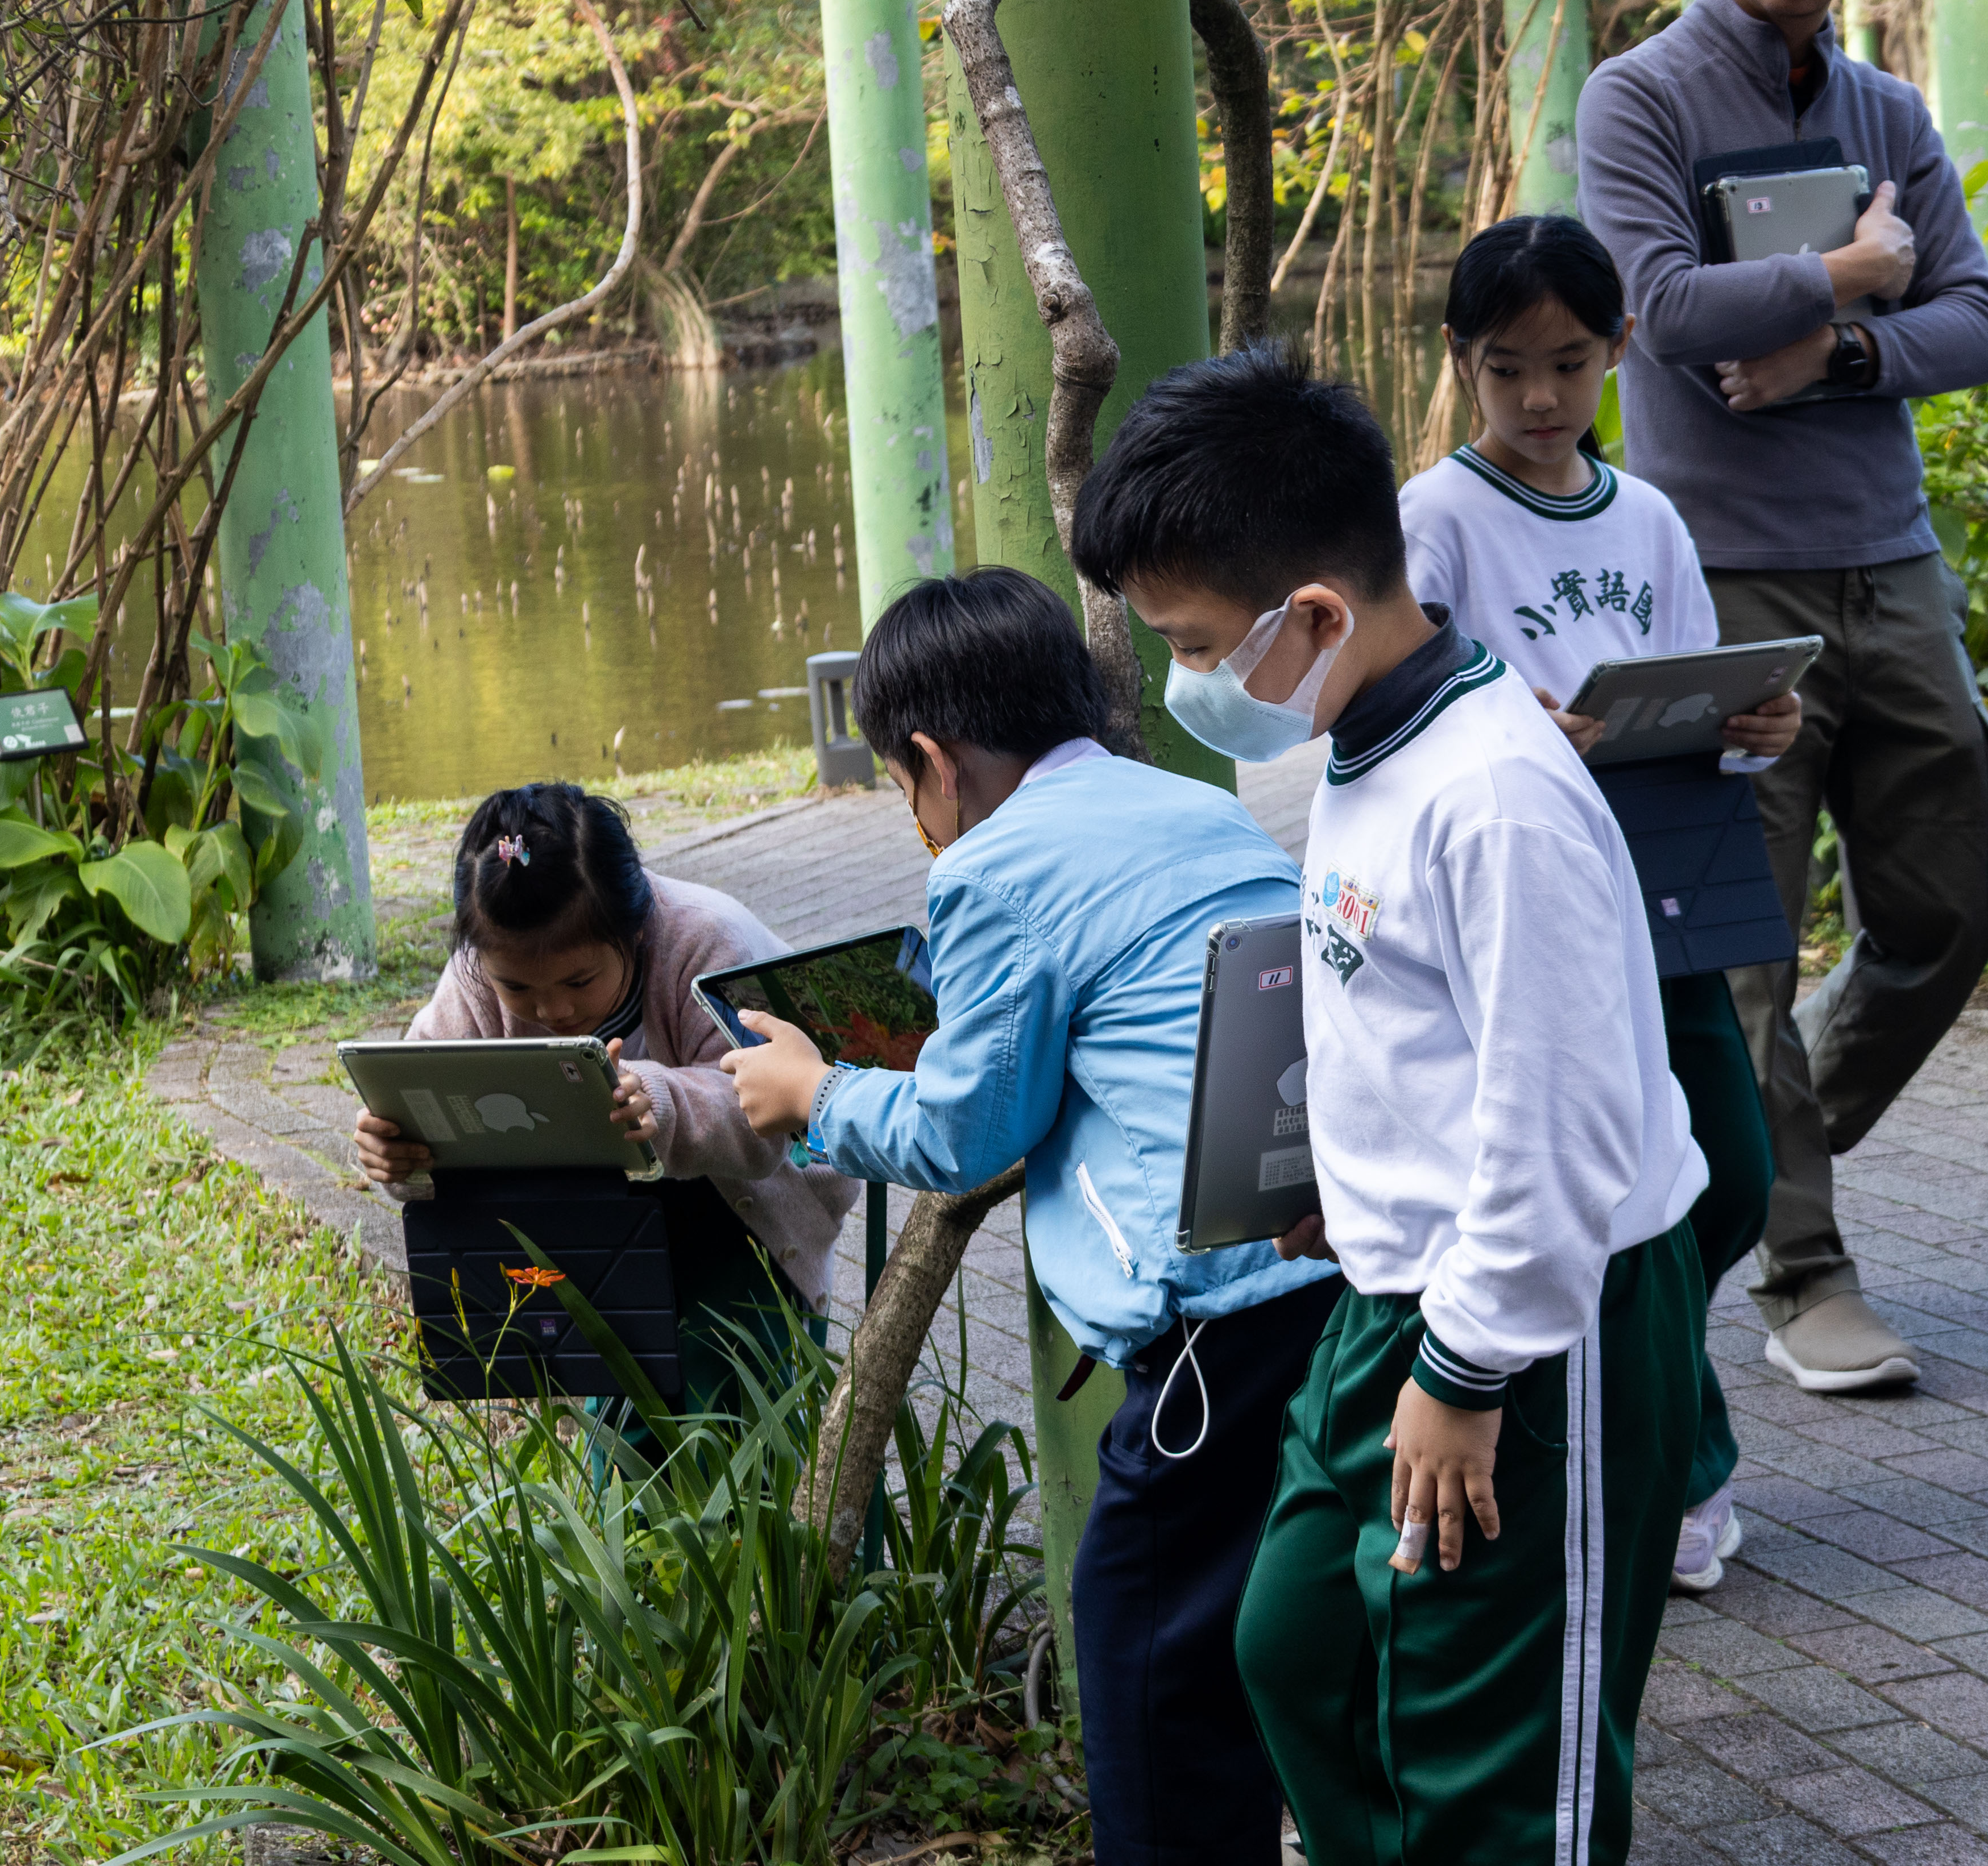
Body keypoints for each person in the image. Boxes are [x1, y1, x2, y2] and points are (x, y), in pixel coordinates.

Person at [1072, 344, 1709, 1866]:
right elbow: (1416, 1040)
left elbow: (1562, 1125)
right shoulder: (1368, 739)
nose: (1186, 680)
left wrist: (1471, 1371)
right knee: (1301, 1639)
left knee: (1486, 1743)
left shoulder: (1493, 795)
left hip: (1535, 1321)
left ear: (1312, 615)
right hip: (1385, 1279)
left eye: (1193, 642)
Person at [716, 567, 1341, 1866]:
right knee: (1255, 1638)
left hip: (1207, 1331)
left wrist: (811, 1090)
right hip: (1326, 1273)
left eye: (901, 787)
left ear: (933, 761)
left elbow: (964, 1129)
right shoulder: (1189, 806)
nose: (917, 818)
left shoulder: (992, 867)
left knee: (1142, 1672)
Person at [1579, 0, 1988, 1398]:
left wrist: (1831, 345)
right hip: (1718, 572)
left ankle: (1757, 1157)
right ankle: (1801, 1270)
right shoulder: (1637, 95)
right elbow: (1654, 305)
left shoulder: (1882, 107)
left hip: (1886, 560)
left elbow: (1979, 324)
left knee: (1967, 892)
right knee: (1750, 948)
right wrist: (1847, 271)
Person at [1399, 212, 1792, 1594]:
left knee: (1725, 1171)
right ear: (1461, 365)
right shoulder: (1431, 519)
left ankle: (1651, 1416)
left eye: (1569, 363)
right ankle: (1676, 1466)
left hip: (1666, 867)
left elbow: (1693, 682)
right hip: (1530, 886)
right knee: (1611, 1179)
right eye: (1507, 369)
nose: (1541, 399)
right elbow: (1400, 695)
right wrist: (1512, 722)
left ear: (1618, 350)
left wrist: (1758, 720)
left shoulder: (1646, 515)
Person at [354, 783, 860, 1413]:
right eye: (518, 986)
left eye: (579, 980)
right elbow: (419, 1091)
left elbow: (766, 1120)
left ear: (636, 929)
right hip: (600, 1221)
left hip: (747, 1218)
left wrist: (663, 1100)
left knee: (744, 1398)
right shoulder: (475, 977)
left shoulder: (706, 940)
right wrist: (396, 1154)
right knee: (625, 1415)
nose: (552, 1008)